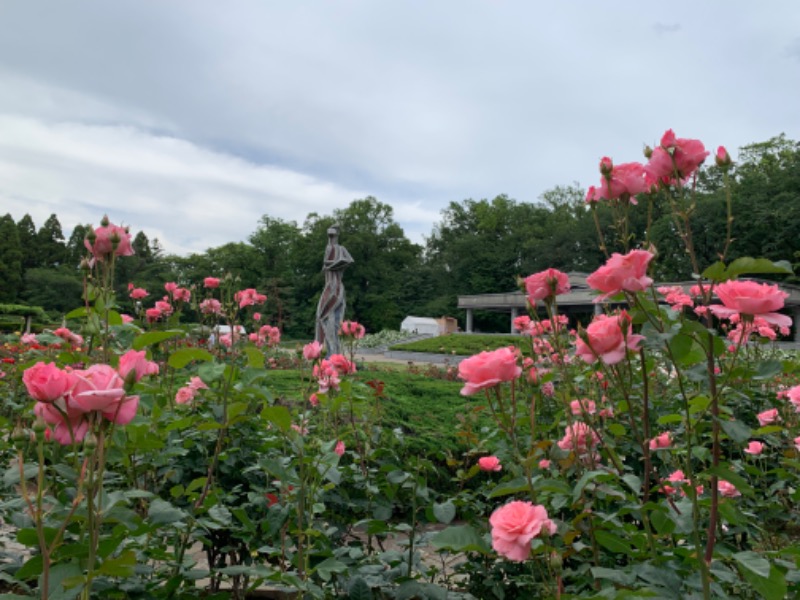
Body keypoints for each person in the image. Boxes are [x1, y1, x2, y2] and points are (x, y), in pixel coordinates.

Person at [315, 226, 354, 355]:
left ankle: (330, 354)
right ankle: (327, 353)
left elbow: (349, 260)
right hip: (329, 287)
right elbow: (324, 267)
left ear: (337, 234)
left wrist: (330, 265)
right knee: (323, 318)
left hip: (335, 288)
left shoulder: (340, 249)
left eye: (333, 234)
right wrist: (329, 265)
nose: (330, 237)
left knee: (324, 318)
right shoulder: (328, 249)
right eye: (329, 235)